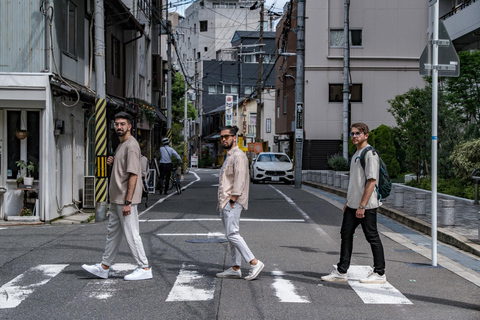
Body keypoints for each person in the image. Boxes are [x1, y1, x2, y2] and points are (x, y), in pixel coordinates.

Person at [82, 112, 153, 281]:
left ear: (130, 126)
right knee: (112, 233)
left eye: (122, 124)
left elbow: (134, 175)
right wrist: (113, 163)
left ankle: (144, 267)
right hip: (116, 198)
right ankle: (104, 267)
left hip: (124, 199)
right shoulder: (121, 145)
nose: (119, 127)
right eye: (116, 124)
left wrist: (128, 201)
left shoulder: (131, 145)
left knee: (131, 233)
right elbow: (123, 169)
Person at [321, 122, 386, 284]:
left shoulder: (370, 154)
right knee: (346, 234)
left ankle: (380, 273)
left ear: (366, 135)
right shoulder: (356, 153)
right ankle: (342, 271)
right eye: (352, 134)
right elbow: (356, 182)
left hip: (366, 205)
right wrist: (349, 201)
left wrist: (362, 206)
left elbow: (371, 181)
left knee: (372, 236)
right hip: (352, 204)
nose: (354, 136)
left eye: (358, 133)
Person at [216, 126, 265, 281]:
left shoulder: (239, 156)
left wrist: (233, 199)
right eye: (222, 137)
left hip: (232, 201)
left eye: (227, 136)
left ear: (234, 138)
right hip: (226, 201)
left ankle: (254, 262)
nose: (224, 139)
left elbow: (240, 179)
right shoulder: (230, 156)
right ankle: (235, 267)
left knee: (232, 234)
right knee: (231, 235)